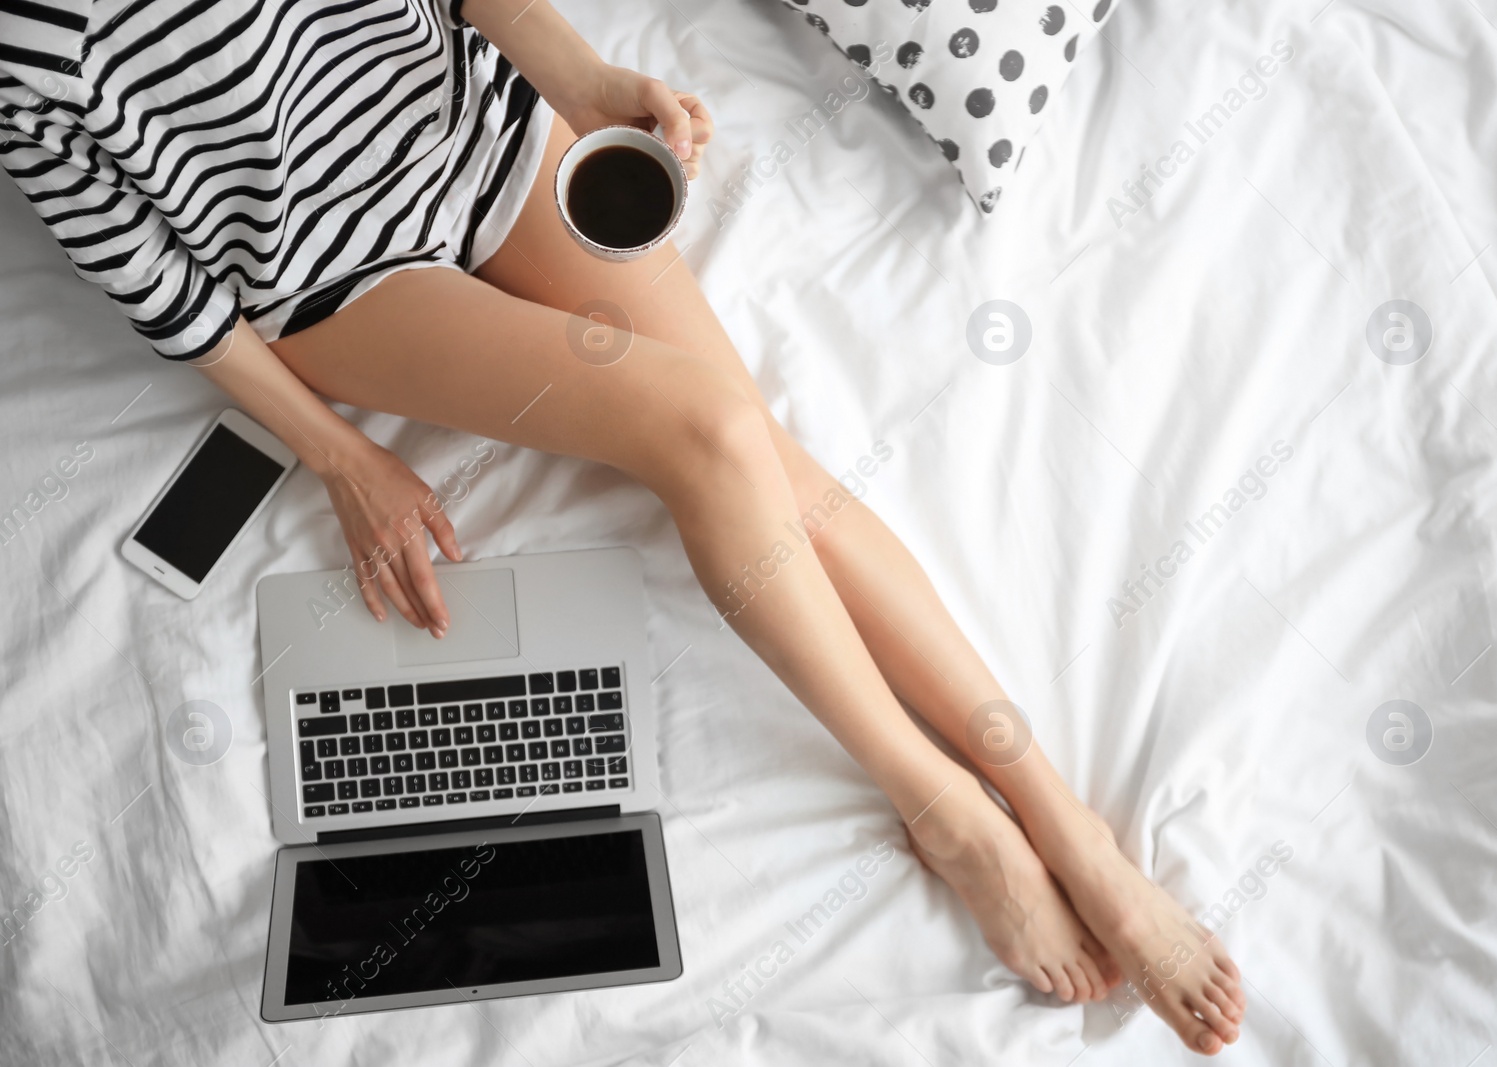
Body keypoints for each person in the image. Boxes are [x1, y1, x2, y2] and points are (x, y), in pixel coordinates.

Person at [0, 0, 1244, 1052]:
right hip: (334, 281)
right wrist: (343, 455)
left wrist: (586, 84)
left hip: (479, 138)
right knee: (710, 429)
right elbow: (159, 284)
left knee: (763, 457)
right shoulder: (24, 45)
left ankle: (1064, 820)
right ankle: (944, 804)